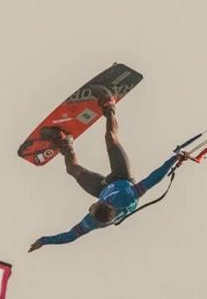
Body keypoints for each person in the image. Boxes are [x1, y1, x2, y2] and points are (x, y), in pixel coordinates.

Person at [29, 85, 188, 252]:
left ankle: (64, 142)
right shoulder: (126, 197)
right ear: (105, 203)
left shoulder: (92, 222)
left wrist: (43, 241)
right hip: (123, 177)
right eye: (93, 207)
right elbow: (153, 179)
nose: (88, 209)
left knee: (72, 169)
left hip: (104, 187)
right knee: (111, 138)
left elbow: (70, 236)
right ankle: (109, 105)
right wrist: (174, 159)